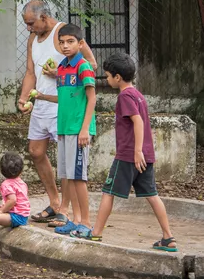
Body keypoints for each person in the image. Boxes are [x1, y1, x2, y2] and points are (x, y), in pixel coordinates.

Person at [71, 53, 177, 251]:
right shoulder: (138, 95)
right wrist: (142, 151)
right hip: (145, 155)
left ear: (117, 77)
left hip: (129, 155)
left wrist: (136, 151)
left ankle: (96, 233)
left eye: (108, 76)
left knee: (107, 193)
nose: (107, 79)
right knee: (152, 195)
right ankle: (168, 237)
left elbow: (138, 121)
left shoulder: (125, 96)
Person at [18, 0, 97, 229]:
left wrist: (61, 73)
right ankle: (54, 201)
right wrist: (24, 99)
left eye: (31, 23)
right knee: (36, 151)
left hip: (63, 106)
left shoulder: (64, 34)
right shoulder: (33, 38)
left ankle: (65, 209)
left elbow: (90, 63)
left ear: (44, 17)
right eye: (26, 24)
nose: (28, 28)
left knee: (67, 162)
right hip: (40, 102)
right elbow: (30, 71)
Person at [51, 23, 97, 236]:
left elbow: (92, 99)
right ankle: (76, 220)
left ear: (80, 44)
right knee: (69, 176)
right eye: (62, 42)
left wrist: (85, 129)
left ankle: (86, 223)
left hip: (78, 130)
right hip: (63, 129)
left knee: (79, 177)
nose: (65, 46)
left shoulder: (83, 66)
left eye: (70, 42)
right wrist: (40, 97)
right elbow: (63, 97)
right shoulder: (61, 67)